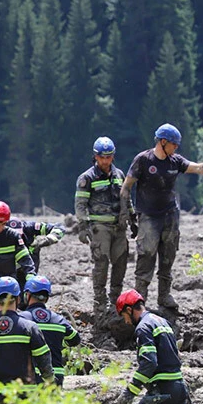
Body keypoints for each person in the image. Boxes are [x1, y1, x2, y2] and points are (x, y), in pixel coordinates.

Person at [119, 123, 203, 309]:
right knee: (146, 258)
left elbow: (198, 168)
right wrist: (128, 214)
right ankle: (140, 298)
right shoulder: (143, 160)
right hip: (148, 217)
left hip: (170, 217)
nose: (176, 147)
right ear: (162, 142)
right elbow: (126, 187)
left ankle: (164, 296)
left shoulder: (175, 161)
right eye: (173, 144)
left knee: (168, 257)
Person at [75, 136, 132, 323]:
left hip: (119, 226)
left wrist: (133, 219)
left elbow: (126, 199)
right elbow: (81, 204)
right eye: (102, 157)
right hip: (100, 228)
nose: (105, 161)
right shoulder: (87, 178)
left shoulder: (120, 175)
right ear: (95, 156)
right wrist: (82, 227)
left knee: (120, 262)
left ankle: (115, 298)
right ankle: (99, 301)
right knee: (101, 263)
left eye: (108, 157)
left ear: (113, 156)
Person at [0, 277, 54, 386]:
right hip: (25, 397)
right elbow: (44, 362)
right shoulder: (30, 328)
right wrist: (50, 382)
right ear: (18, 299)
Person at [19, 275, 80, 387]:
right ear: (47, 298)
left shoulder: (21, 319)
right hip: (56, 376)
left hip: (32, 377)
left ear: (27, 295)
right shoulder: (59, 319)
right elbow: (75, 339)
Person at [6, 217, 65, 286]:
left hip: (30, 271)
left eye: (19, 235)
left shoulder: (30, 228)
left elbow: (59, 227)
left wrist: (48, 240)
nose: (15, 238)